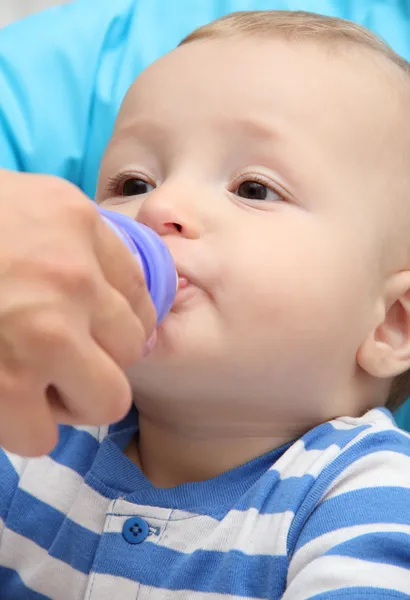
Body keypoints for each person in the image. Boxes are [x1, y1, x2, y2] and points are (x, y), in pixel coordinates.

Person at [1, 9, 410, 599]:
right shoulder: (38, 429)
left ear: (391, 325)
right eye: (132, 184)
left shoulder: (362, 497)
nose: (159, 207)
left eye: (253, 189)